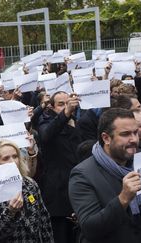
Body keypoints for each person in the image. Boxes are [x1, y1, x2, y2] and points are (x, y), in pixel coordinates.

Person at [69, 108, 141, 243]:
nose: (134, 139)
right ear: (106, 138)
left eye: (135, 132)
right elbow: (90, 228)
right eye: (125, 134)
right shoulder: (83, 175)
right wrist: (123, 199)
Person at [0, 140, 54, 242]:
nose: (13, 161)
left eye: (15, 156)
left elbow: (44, 220)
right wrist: (11, 212)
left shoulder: (30, 184)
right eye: (6, 158)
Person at [38, 91, 82, 243]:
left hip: (78, 190)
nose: (65, 106)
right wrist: (66, 113)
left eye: (67, 103)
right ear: (51, 107)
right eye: (61, 104)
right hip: (59, 195)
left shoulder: (77, 121)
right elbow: (46, 135)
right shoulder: (45, 120)